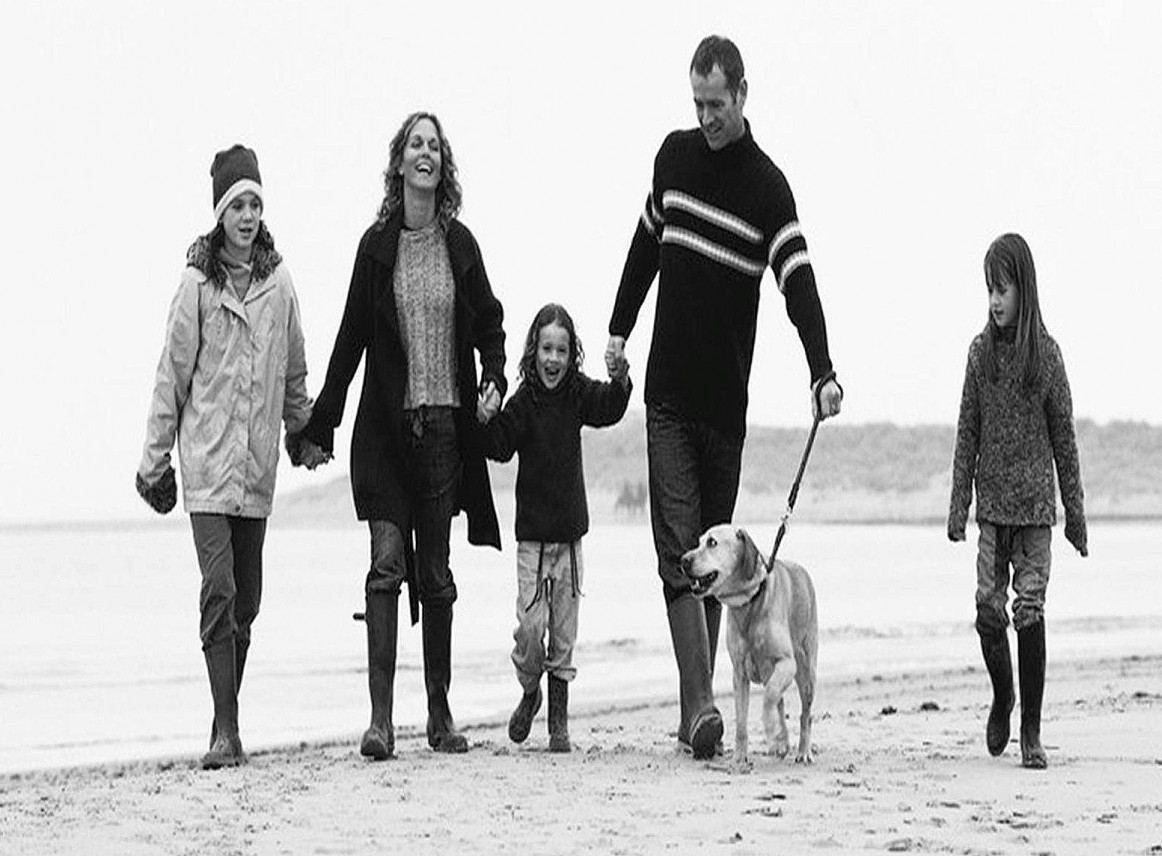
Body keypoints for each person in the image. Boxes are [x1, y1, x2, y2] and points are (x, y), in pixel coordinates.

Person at [604, 35, 843, 761]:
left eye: (716, 103)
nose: (706, 117)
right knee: (679, 550)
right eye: (697, 103)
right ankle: (702, 707)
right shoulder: (673, 159)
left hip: (725, 410)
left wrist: (822, 370)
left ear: (742, 94)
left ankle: (695, 715)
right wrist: (618, 329)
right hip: (669, 395)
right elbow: (643, 250)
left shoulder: (768, 188)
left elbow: (798, 283)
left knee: (713, 565)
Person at [298, 112, 507, 759]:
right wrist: (320, 424)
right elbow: (350, 339)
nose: (426, 153)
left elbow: (490, 323)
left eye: (434, 146)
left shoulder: (460, 244)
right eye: (416, 144)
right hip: (387, 433)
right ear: (399, 163)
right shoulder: (376, 247)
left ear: (443, 165)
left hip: (445, 428)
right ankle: (381, 722)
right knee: (386, 565)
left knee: (436, 575)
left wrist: (495, 375)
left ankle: (439, 715)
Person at [136, 144, 326, 769]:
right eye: (237, 205)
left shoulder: (280, 284)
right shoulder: (196, 286)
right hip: (207, 465)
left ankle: (224, 718)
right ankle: (228, 732)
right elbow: (171, 377)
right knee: (218, 589)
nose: (247, 216)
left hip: (257, 468)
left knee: (248, 602)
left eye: (255, 204)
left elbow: (294, 371)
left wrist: (303, 434)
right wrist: (155, 461)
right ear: (219, 213)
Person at [948, 232, 1088, 770]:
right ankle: (1003, 695)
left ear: (1023, 290)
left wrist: (1075, 516)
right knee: (988, 611)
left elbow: (1064, 440)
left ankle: (1031, 730)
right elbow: (967, 432)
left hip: (1034, 515)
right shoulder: (979, 354)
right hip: (992, 512)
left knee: (1029, 610)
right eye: (988, 289)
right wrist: (958, 505)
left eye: (1002, 289)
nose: (993, 300)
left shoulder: (1046, 357)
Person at [479, 303, 632, 753]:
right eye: (546, 349)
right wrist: (485, 419)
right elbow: (499, 446)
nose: (553, 359)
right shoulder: (523, 401)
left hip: (569, 540)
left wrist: (621, 378)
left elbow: (610, 407)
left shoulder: (577, 393)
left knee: (563, 634)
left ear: (571, 355)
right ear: (534, 351)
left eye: (561, 350)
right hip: (532, 541)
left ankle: (558, 724)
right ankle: (530, 692)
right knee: (530, 630)